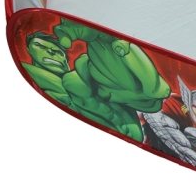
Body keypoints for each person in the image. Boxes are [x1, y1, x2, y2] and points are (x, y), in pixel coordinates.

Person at [22, 19, 170, 142]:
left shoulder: (86, 69)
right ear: (29, 51)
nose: (50, 51)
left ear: (65, 59)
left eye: (58, 52)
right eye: (39, 46)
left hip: (128, 128)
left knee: (85, 72)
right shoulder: (32, 76)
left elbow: (147, 101)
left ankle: (104, 41)